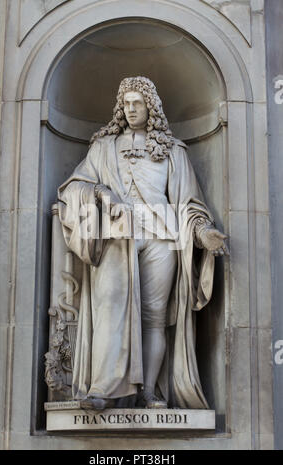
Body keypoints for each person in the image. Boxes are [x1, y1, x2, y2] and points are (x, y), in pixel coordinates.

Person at [57, 76, 228, 411]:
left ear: (151, 106)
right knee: (109, 307)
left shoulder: (173, 151)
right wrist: (100, 192)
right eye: (127, 103)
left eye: (138, 103)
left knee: (153, 318)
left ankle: (149, 391)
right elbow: (72, 188)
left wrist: (203, 232)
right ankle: (102, 389)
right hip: (117, 236)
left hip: (162, 237)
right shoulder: (103, 147)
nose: (131, 109)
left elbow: (189, 204)